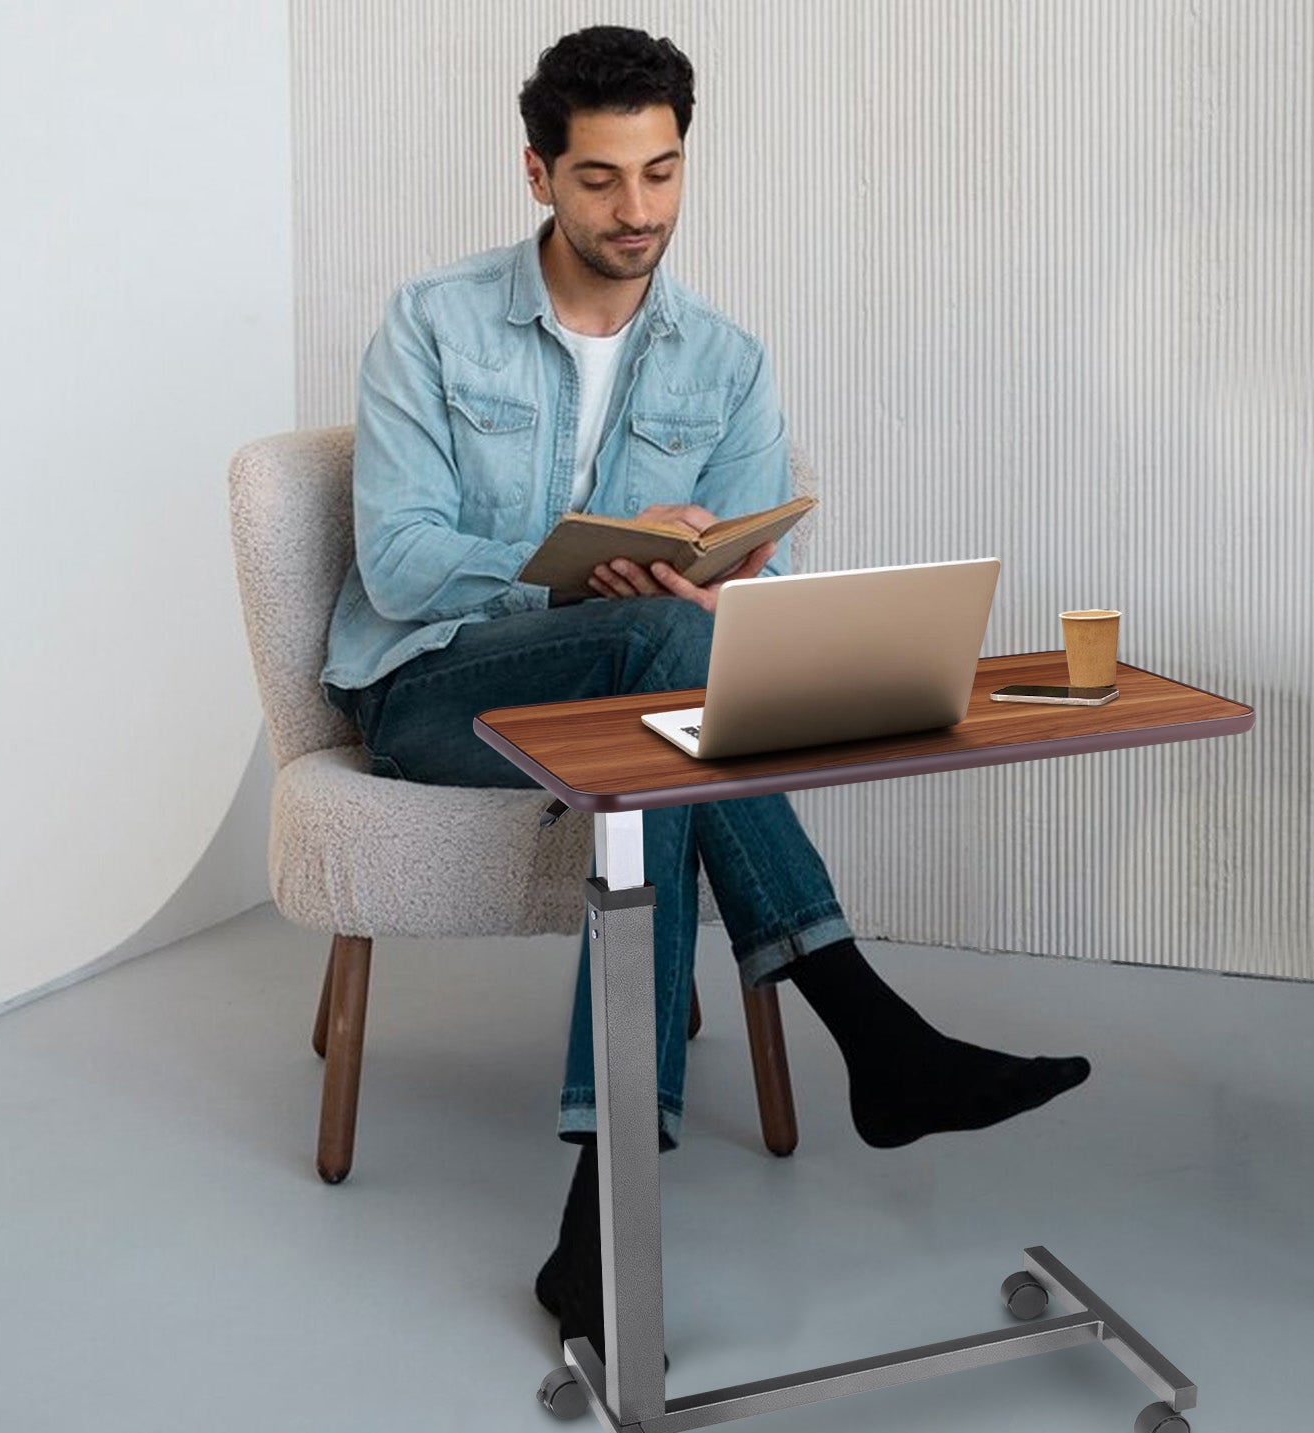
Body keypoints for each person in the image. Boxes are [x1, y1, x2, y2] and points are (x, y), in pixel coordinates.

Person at [321, 25, 1090, 1359]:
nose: (639, 212)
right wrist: (579, 571)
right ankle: (867, 1022)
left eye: (664, 174)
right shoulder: (432, 325)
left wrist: (715, 588)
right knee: (666, 680)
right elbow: (396, 565)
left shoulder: (724, 360)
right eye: (605, 179)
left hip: (643, 711)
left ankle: (602, 1225)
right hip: (435, 692)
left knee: (675, 687)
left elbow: (750, 587)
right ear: (539, 173)